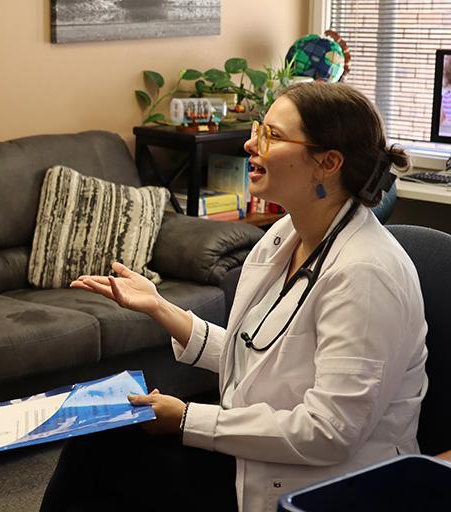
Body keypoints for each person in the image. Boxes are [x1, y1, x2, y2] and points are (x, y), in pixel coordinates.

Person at [41, 81, 426, 512]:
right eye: (260, 129)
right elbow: (260, 351)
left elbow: (329, 432)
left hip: (325, 484)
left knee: (106, 464)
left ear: (327, 163)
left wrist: (187, 419)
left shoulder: (366, 275)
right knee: (98, 440)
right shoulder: (285, 237)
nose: (250, 143)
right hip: (264, 449)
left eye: (272, 136)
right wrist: (158, 306)